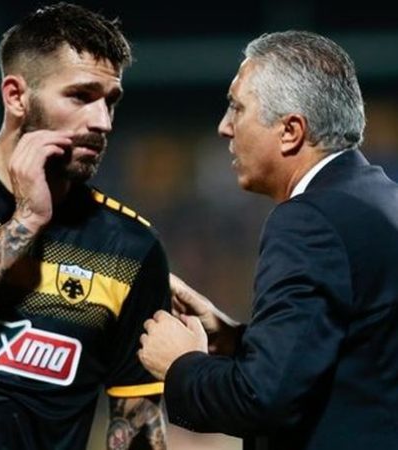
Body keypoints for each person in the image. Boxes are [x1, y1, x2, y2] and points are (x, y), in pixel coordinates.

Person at [138, 30, 398, 450]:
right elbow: (348, 367)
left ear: (290, 130)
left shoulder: (309, 220)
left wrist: (180, 365)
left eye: (237, 107)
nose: (224, 127)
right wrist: (236, 339)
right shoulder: (380, 200)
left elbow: (263, 399)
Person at [0, 3, 170, 449]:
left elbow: (138, 424)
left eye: (110, 102)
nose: (102, 122)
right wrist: (26, 222)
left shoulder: (130, 248)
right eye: (81, 96)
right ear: (16, 96)